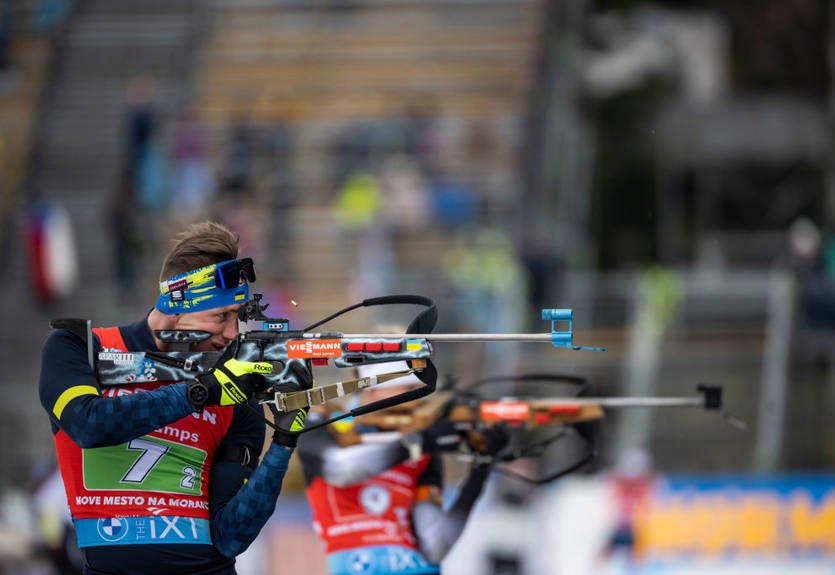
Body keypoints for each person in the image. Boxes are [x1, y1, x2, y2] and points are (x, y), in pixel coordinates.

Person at [38, 221, 312, 574]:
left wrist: (284, 443)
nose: (233, 334)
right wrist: (201, 392)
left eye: (239, 317)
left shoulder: (235, 388)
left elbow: (231, 536)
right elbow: (88, 425)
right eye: (221, 316)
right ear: (176, 304)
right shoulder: (80, 347)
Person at [297, 363, 508, 575]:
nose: (418, 396)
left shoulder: (422, 448)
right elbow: (341, 469)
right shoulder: (324, 424)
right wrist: (417, 443)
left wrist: (481, 468)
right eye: (408, 387)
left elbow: (435, 546)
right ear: (370, 385)